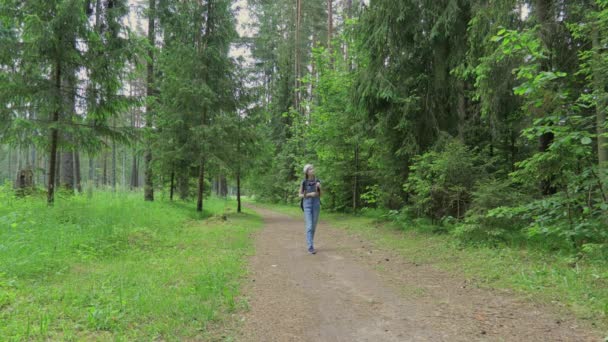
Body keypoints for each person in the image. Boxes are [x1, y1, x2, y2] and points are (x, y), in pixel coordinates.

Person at [299, 164, 321, 254]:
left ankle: (310, 243)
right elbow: (300, 195)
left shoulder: (317, 181)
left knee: (313, 226)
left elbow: (321, 195)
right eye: (310, 169)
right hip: (307, 205)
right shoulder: (304, 182)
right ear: (307, 172)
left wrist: (319, 187)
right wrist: (309, 194)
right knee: (309, 226)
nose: (313, 170)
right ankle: (310, 246)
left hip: (316, 204)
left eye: (313, 168)